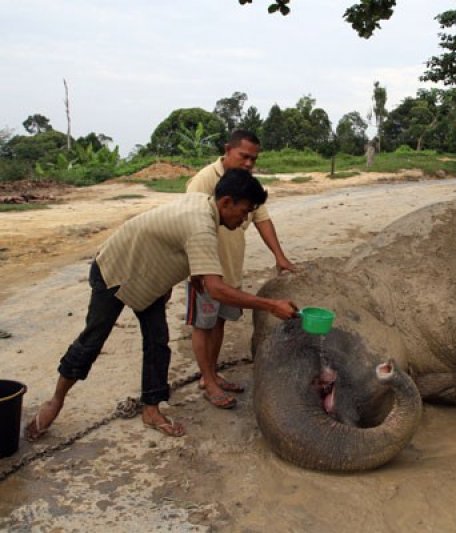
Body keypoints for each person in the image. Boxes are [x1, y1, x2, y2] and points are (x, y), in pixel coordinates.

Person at [24, 169, 298, 440]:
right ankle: (56, 401)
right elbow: (215, 289)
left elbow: (166, 241)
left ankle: (151, 409)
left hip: (148, 280)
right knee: (92, 340)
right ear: (226, 202)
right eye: (244, 211)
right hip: (115, 271)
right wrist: (271, 306)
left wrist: (167, 283)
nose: (244, 220)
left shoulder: (204, 204)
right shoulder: (201, 226)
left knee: (157, 342)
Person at [185, 129, 296, 409]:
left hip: (231, 268)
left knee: (219, 321)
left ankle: (211, 373)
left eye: (253, 159)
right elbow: (186, 225)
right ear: (227, 150)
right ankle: (208, 380)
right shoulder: (203, 182)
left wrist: (280, 256)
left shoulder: (248, 184)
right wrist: (195, 269)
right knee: (202, 324)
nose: (248, 163)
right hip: (205, 269)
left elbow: (263, 219)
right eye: (244, 156)